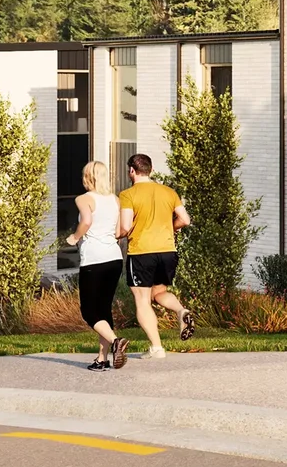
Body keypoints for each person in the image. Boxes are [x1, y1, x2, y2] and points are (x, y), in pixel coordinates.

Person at [117, 151, 193, 358]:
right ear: (150, 170)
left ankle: (157, 347)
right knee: (158, 293)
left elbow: (125, 226)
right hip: (168, 252)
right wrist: (171, 227)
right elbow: (185, 220)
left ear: (132, 171)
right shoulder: (169, 192)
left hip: (142, 252)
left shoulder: (128, 195)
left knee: (142, 301)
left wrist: (116, 236)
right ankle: (181, 311)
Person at [67, 160, 128, 371]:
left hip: (94, 259)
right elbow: (120, 231)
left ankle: (116, 341)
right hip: (114, 258)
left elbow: (86, 222)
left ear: (88, 177)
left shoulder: (84, 199)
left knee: (89, 312)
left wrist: (75, 238)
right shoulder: (115, 199)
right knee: (103, 310)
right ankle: (102, 359)